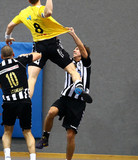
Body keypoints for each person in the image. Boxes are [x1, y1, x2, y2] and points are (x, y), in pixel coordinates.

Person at [5, 0, 91, 102]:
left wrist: (8, 37)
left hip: (39, 48)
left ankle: (25, 102)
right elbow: (48, 12)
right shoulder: (41, 10)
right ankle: (78, 84)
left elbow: (10, 26)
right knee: (73, 71)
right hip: (53, 45)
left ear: (28, 1)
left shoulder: (23, 13)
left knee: (32, 78)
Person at [35, 28, 91, 160]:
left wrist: (73, 34)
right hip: (65, 98)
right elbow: (57, 48)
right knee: (51, 112)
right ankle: (45, 138)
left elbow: (82, 48)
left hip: (78, 103)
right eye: (75, 49)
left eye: (77, 49)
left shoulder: (86, 64)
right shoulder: (68, 62)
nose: (75, 50)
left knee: (70, 135)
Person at [0, 45, 41, 160]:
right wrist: (24, 56)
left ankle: (7, 157)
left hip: (9, 103)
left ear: (1, 56)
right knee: (27, 132)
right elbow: (38, 55)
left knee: (7, 131)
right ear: (13, 54)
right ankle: (33, 157)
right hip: (24, 102)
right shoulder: (20, 61)